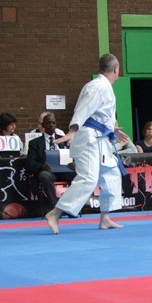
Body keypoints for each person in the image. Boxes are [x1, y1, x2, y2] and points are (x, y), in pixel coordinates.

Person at [45, 53, 128, 232]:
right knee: (89, 178)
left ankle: (105, 218)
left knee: (111, 174)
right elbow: (83, 110)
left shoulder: (104, 87)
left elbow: (101, 115)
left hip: (101, 139)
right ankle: (55, 213)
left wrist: (114, 128)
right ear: (116, 69)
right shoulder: (97, 87)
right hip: (89, 138)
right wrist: (72, 131)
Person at [26, 112, 73, 211]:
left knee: (78, 174)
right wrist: (42, 166)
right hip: (48, 172)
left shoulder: (63, 140)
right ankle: (57, 208)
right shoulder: (35, 143)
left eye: (53, 122)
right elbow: (30, 164)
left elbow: (73, 156)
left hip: (64, 171)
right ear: (43, 125)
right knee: (44, 175)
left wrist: (73, 164)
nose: (51, 125)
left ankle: (71, 206)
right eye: (48, 123)